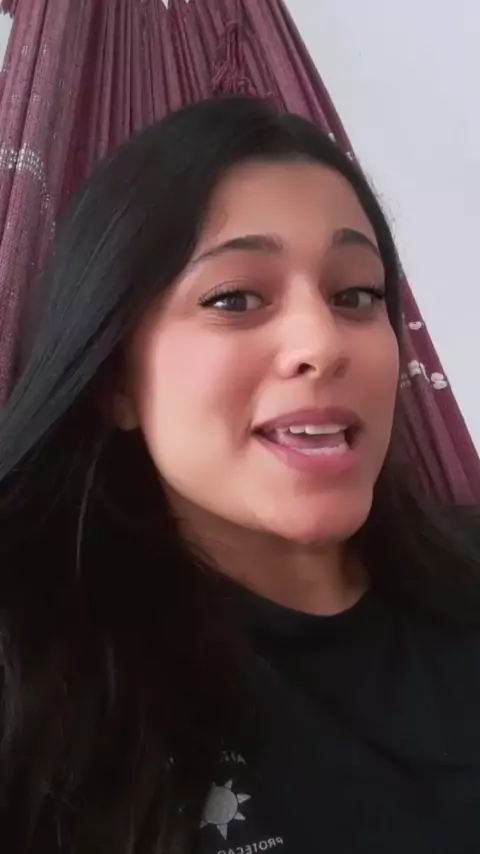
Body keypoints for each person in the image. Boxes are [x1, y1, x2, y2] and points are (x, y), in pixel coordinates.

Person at [0, 95, 479, 854]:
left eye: (355, 295)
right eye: (235, 298)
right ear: (115, 382)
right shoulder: (35, 681)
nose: (323, 342)